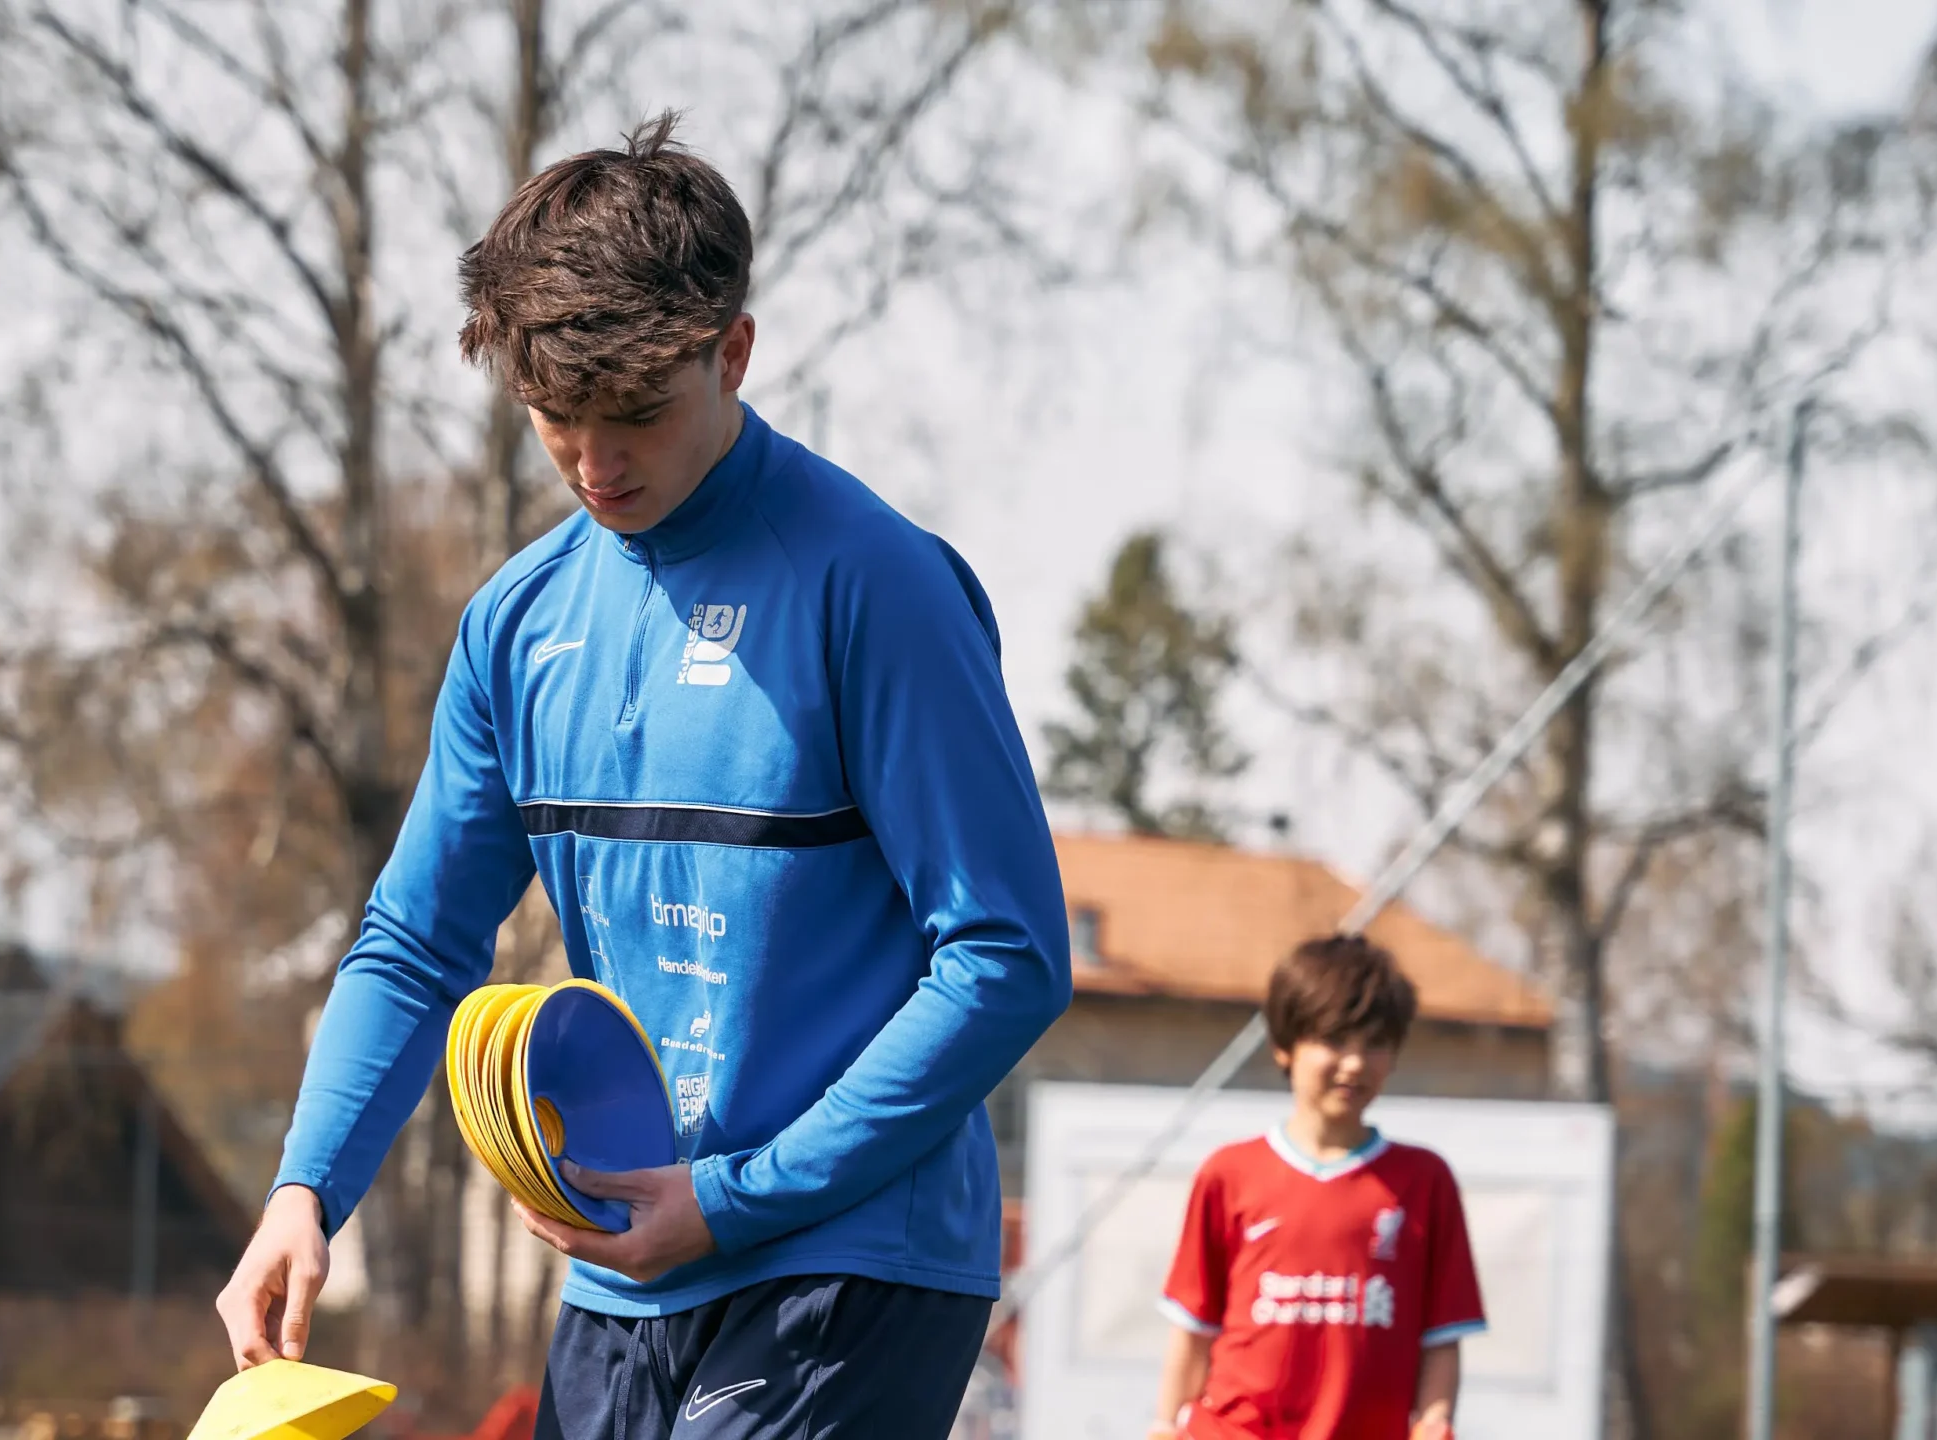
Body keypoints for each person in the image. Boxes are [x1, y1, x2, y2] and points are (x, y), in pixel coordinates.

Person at [215, 111, 1072, 1439]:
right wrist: (304, 1193)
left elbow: (1007, 955)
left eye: (636, 415)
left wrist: (737, 1197)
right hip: (621, 1271)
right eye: (558, 419)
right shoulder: (515, 624)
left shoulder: (880, 588)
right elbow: (413, 942)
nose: (596, 463)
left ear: (733, 351)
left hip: (850, 1261)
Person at [1150, 935, 1485, 1440]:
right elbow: (1194, 1332)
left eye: (1375, 1043)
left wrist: (1435, 1422)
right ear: (1285, 1046)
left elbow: (1441, 1338)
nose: (1354, 1063)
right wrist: (1161, 1425)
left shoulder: (1424, 1181)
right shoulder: (1229, 1173)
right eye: (1334, 1040)